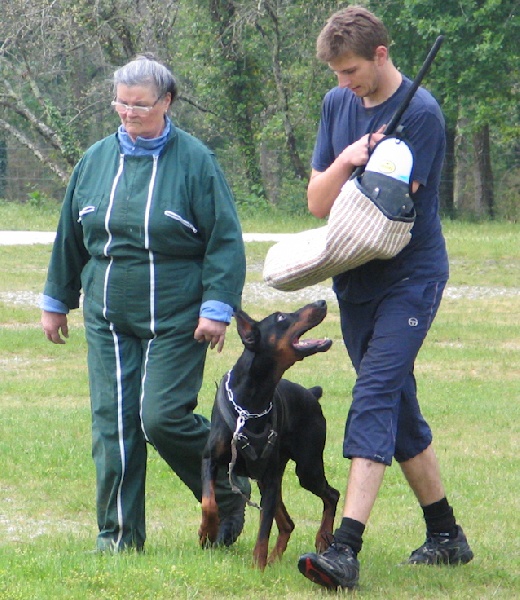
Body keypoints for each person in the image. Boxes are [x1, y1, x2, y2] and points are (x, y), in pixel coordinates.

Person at [41, 54, 250, 553]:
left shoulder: (197, 161)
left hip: (178, 317)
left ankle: (226, 489)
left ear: (167, 102)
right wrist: (56, 301)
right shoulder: (94, 161)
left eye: (140, 105)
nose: (128, 114)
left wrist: (216, 308)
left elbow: (225, 240)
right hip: (108, 316)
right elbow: (71, 235)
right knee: (113, 423)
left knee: (159, 418)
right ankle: (117, 538)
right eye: (121, 103)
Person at [297, 7, 473, 590]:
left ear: (380, 54)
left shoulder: (421, 114)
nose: (343, 84)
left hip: (410, 278)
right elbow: (318, 203)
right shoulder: (336, 104)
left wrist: (372, 165)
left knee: (374, 393)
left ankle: (345, 549)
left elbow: (385, 214)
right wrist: (350, 157)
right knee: (396, 406)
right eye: (336, 74)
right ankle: (446, 535)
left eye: (350, 71)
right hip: (356, 280)